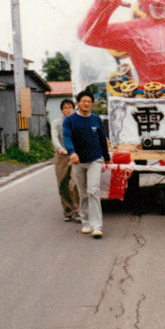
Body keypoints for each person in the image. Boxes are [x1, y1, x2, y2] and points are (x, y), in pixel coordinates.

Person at [63, 90, 111, 239]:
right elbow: (67, 137)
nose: (86, 104)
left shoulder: (96, 120)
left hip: (95, 160)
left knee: (93, 190)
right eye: (83, 101)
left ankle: (97, 226)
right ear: (78, 102)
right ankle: (86, 222)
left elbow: (103, 140)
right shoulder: (70, 120)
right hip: (78, 161)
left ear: (92, 103)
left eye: (89, 101)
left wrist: (107, 157)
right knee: (83, 193)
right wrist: (72, 152)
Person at [50, 99, 80, 222]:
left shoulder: (78, 121)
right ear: (62, 110)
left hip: (75, 156)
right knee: (63, 184)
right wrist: (60, 149)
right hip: (61, 156)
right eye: (65, 108)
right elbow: (55, 138)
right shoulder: (56, 123)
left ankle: (78, 210)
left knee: (75, 183)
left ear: (74, 109)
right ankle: (68, 210)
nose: (67, 110)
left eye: (70, 107)